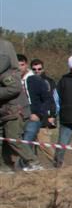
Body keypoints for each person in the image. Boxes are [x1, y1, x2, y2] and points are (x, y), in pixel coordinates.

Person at [0, 42, 43, 172]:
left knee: (13, 139)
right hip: (4, 112)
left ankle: (33, 162)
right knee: (4, 141)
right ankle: (5, 167)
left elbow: (15, 88)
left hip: (14, 110)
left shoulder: (7, 74)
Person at [24, 58, 57, 153]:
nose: (37, 71)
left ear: (43, 69)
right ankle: (32, 163)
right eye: (34, 69)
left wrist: (52, 115)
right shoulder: (28, 80)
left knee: (44, 143)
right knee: (29, 142)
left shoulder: (49, 82)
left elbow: (52, 100)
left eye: (39, 69)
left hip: (45, 116)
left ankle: (59, 163)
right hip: (31, 115)